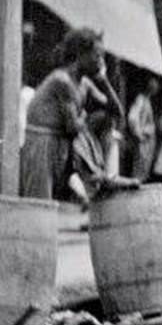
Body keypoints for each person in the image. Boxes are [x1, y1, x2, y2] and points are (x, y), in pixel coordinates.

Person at [21, 28, 122, 200]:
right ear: (80, 54)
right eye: (97, 56)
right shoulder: (62, 81)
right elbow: (72, 127)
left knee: (50, 200)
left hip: (59, 143)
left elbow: (116, 111)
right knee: (39, 200)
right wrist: (84, 117)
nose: (101, 62)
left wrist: (103, 80)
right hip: (42, 141)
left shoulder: (84, 84)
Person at [127, 77, 159, 182]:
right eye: (152, 85)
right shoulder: (140, 99)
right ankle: (136, 182)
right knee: (140, 162)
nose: (154, 87)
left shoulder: (148, 100)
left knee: (146, 163)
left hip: (148, 137)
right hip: (143, 136)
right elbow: (132, 117)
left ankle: (141, 181)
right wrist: (137, 133)